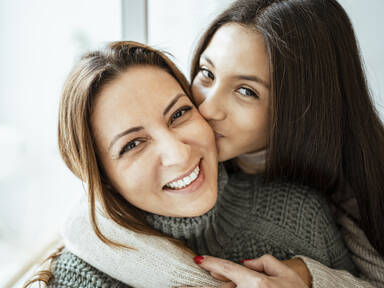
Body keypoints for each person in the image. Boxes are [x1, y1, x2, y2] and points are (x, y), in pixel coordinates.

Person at [24, 40, 355, 288]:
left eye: (179, 113)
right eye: (133, 144)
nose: (178, 154)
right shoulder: (81, 277)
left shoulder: (300, 215)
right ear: (103, 176)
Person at [182, 0, 384, 287]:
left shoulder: (360, 179)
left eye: (246, 91)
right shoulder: (174, 135)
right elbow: (91, 228)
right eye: (207, 73)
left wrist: (309, 276)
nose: (208, 108)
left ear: (304, 105)